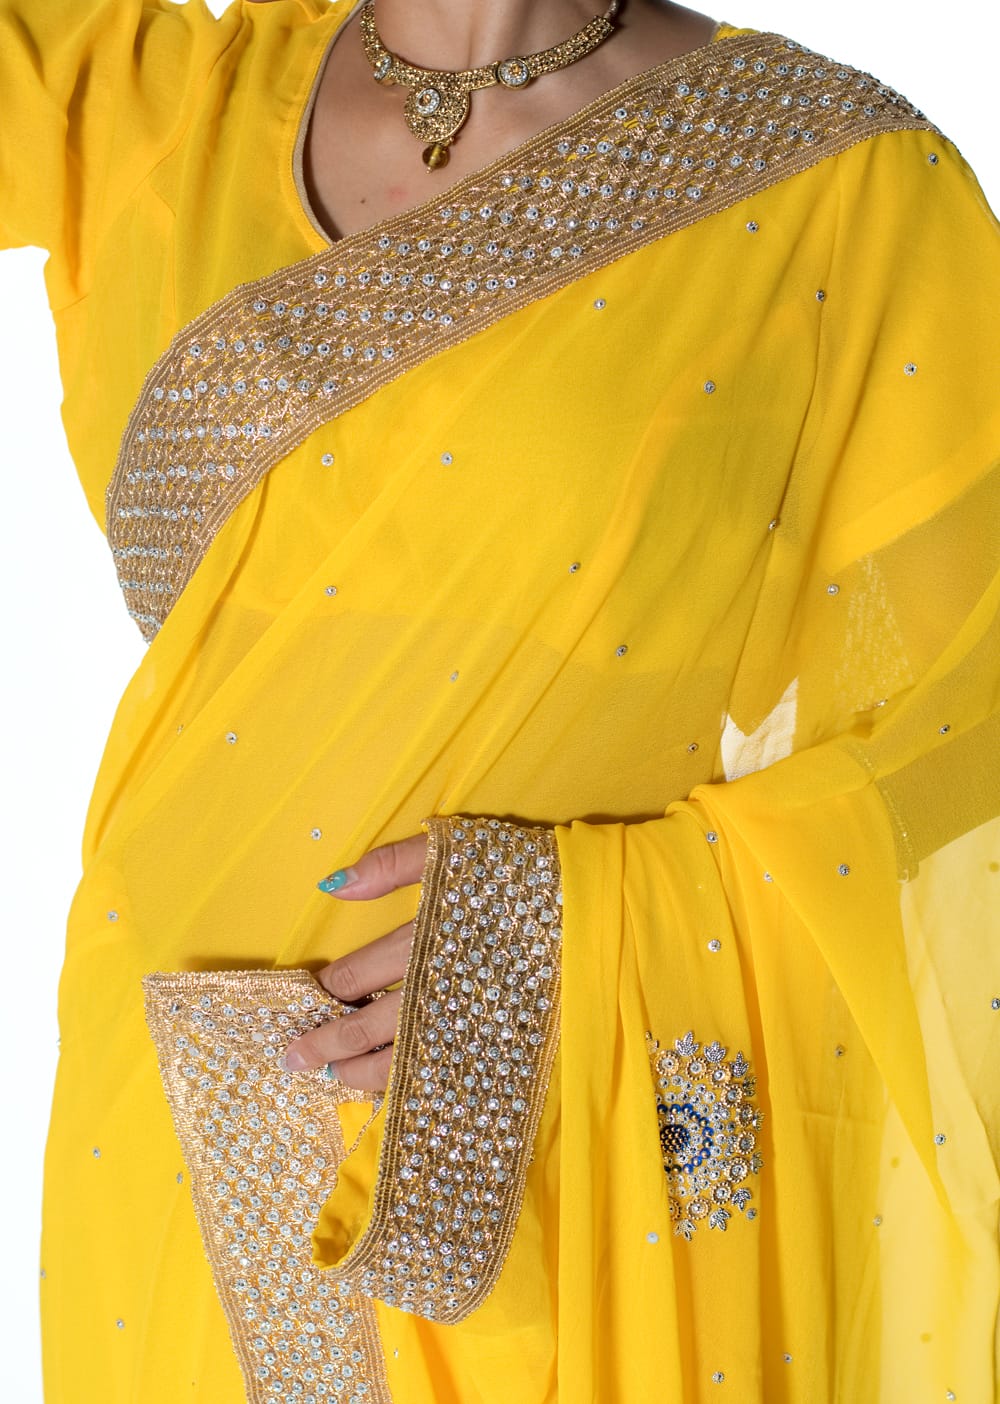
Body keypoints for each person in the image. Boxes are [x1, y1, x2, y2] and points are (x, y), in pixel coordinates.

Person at [2, 0, 997, 1399]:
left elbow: (964, 750)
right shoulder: (156, 111)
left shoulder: (835, 183)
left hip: (567, 1144)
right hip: (174, 1110)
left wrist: (560, 939)